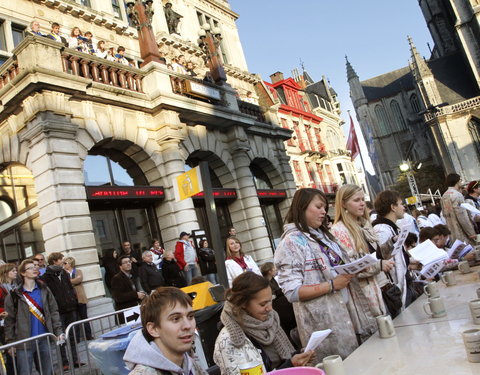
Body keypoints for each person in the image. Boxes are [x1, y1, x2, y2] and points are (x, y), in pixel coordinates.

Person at [274, 188, 358, 360]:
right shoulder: (290, 243)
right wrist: (332, 285)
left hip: (348, 317)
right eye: (319, 206)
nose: (324, 211)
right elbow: (292, 292)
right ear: (302, 207)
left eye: (325, 207)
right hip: (323, 327)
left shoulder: (324, 236)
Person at [214, 272, 314, 374]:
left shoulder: (271, 322)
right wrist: (291, 365)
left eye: (270, 301)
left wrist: (299, 356)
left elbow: (283, 361)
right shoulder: (229, 340)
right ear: (243, 303)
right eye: (263, 304)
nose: (270, 308)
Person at [331, 185, 394, 339]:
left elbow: (375, 254)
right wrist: (378, 265)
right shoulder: (339, 230)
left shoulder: (365, 223)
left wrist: (392, 242)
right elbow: (349, 267)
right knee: (376, 337)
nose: (362, 203)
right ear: (344, 204)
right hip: (363, 295)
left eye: (363, 200)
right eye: (356, 200)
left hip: (380, 287)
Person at [123, 287, 206, 375]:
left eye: (190, 316)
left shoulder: (191, 365)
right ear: (153, 329)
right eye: (175, 318)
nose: (188, 326)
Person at [4, 259, 63, 375]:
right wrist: (10, 343)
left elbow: (54, 312)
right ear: (23, 273)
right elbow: (9, 320)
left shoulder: (44, 290)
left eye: (36, 266)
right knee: (25, 372)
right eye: (30, 268)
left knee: (47, 371)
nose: (35, 268)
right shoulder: (14, 295)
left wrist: (58, 331)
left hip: (44, 339)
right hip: (23, 341)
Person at [40, 252, 80, 370]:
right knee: (60, 338)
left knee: (72, 335)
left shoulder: (64, 273)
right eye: (61, 259)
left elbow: (70, 288)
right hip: (58, 311)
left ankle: (75, 359)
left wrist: (73, 301)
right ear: (54, 261)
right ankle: (64, 362)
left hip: (70, 308)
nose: (63, 261)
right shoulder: (46, 277)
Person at [372, 190, 410, 308]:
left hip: (403, 285)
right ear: (393, 207)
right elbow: (383, 256)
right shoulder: (381, 229)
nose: (403, 207)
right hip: (396, 289)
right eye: (400, 204)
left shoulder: (390, 227)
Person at [260, 262, 297, 345]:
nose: (275, 270)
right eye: (274, 269)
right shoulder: (265, 282)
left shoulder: (273, 280)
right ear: (269, 271)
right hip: (277, 306)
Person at [63, 256, 93, 341]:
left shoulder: (78, 271)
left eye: (65, 263)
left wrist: (70, 281)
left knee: (84, 317)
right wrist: (73, 281)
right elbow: (67, 282)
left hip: (80, 298)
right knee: (74, 319)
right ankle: (77, 338)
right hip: (71, 299)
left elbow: (79, 280)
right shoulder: (63, 273)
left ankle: (89, 335)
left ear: (70, 264)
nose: (64, 265)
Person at [441, 173, 476, 244]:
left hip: (452, 233)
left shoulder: (444, 196)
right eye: (460, 180)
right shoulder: (457, 195)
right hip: (462, 234)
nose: (461, 182)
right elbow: (462, 216)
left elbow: (444, 214)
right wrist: (471, 233)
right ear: (456, 181)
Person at [0, 263, 16, 373]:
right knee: (10, 352)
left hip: (13, 323)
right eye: (13, 270)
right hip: (3, 325)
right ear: (6, 273)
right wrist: (2, 312)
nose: (16, 272)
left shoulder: (14, 287)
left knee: (14, 352)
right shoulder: (1, 288)